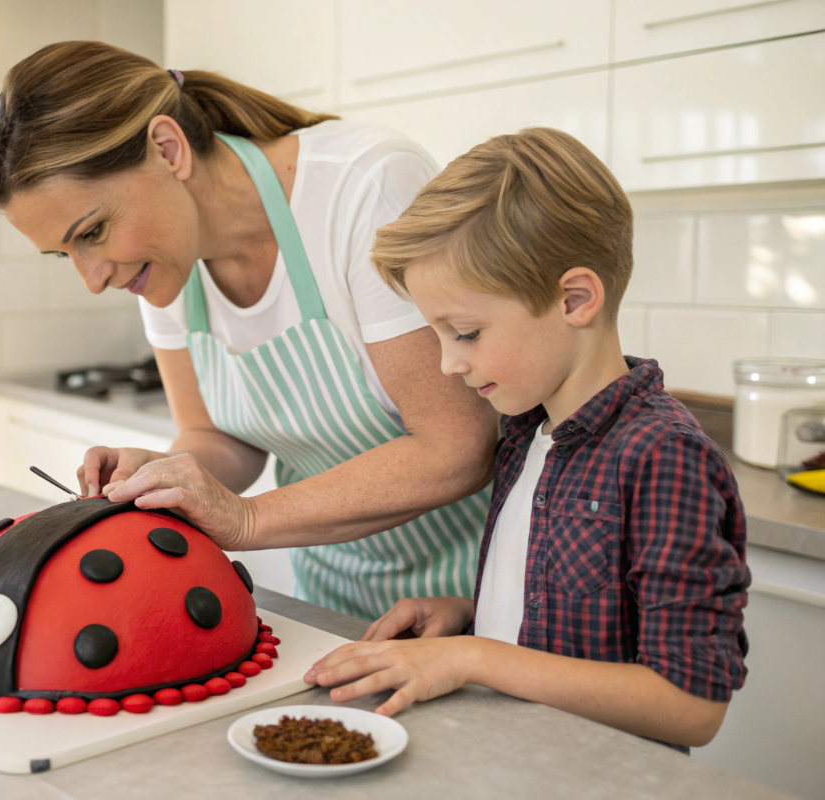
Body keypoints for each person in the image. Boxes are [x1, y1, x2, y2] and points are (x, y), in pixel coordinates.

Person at [0, 41, 498, 620]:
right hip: (330, 595)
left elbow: (458, 447)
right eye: (64, 254)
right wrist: (161, 473)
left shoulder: (362, 186)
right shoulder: (163, 263)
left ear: (168, 149)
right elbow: (217, 435)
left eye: (93, 232)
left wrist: (245, 518)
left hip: (476, 593)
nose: (93, 279)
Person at [304, 127, 749, 750]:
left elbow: (691, 705)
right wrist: (469, 616)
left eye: (465, 332)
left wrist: (474, 658)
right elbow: (570, 616)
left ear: (574, 299)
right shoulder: (523, 432)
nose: (447, 364)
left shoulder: (663, 457)